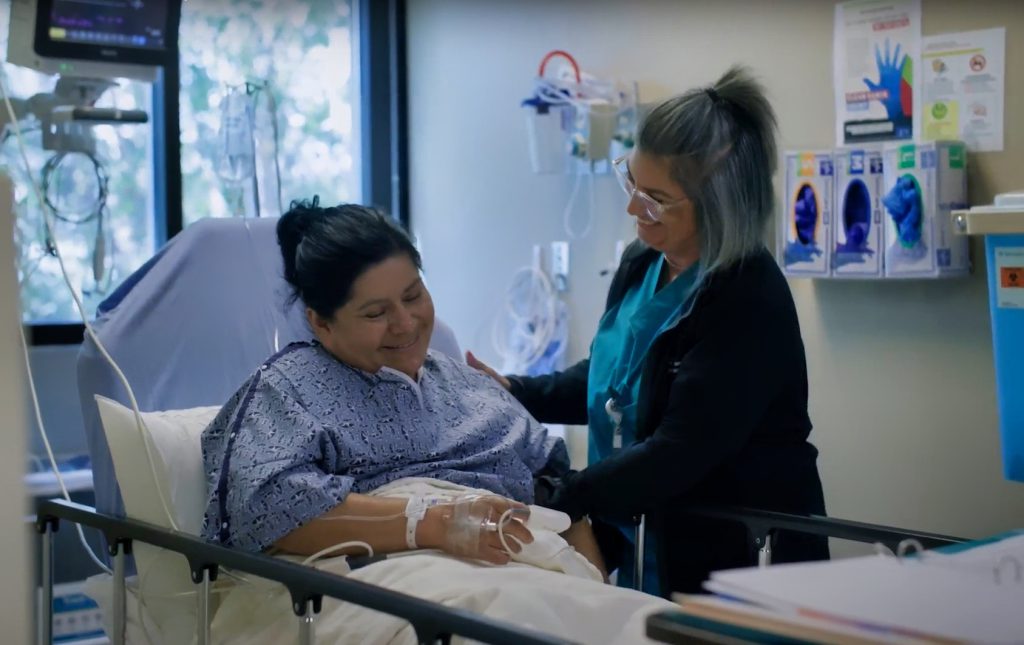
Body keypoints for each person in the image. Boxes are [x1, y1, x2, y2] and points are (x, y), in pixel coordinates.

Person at [467, 65, 829, 596]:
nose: (633, 207)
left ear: (718, 205)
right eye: (630, 180)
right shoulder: (644, 262)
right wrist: (517, 393)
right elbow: (612, 379)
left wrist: (565, 493)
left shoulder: (747, 297)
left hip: (741, 556)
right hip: (646, 533)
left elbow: (682, 448)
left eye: (656, 197)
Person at [200, 198, 604, 571]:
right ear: (321, 322)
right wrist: (428, 522)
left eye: (413, 296)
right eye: (376, 313)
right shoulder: (286, 392)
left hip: (530, 567)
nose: (405, 324)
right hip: (398, 582)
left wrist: (594, 590)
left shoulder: (467, 384)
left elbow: (559, 492)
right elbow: (266, 509)